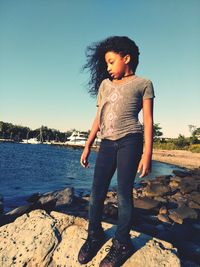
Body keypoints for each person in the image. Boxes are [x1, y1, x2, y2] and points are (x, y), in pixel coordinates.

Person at [78, 36, 155, 267]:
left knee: (123, 194)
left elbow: (148, 120)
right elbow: (98, 118)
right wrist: (88, 144)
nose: (108, 68)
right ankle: (95, 234)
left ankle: (122, 242)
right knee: (97, 192)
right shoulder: (105, 85)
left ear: (127, 58)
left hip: (130, 141)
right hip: (107, 143)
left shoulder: (144, 83)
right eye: (106, 63)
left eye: (111, 62)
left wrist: (147, 153)